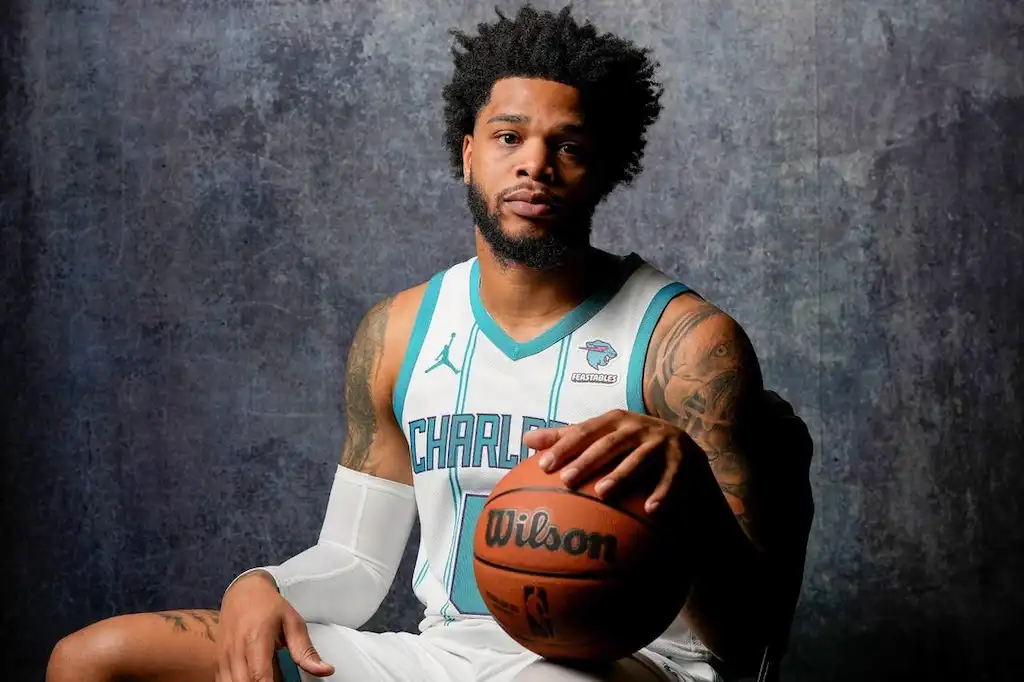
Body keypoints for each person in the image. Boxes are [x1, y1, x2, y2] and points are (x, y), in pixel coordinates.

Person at [46, 5, 813, 682]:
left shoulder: (685, 344)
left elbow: (747, 642)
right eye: (509, 136)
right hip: (444, 656)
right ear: (469, 152)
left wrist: (692, 492)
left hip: (632, 664)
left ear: (606, 168)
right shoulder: (400, 331)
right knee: (95, 659)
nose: (534, 166)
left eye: (569, 147)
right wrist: (264, 583)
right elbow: (356, 565)